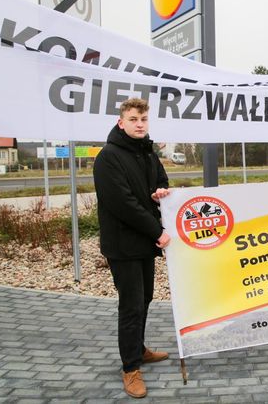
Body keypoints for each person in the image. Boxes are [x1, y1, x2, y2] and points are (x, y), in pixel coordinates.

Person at [93, 98, 171, 399]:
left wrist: (162, 192)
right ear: (120, 122)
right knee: (131, 305)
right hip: (122, 245)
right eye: (134, 119)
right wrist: (158, 231)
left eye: (144, 119)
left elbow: (160, 183)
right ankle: (130, 368)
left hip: (143, 243)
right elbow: (122, 204)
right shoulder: (108, 157)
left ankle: (138, 349)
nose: (140, 124)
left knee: (146, 298)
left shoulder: (148, 154)